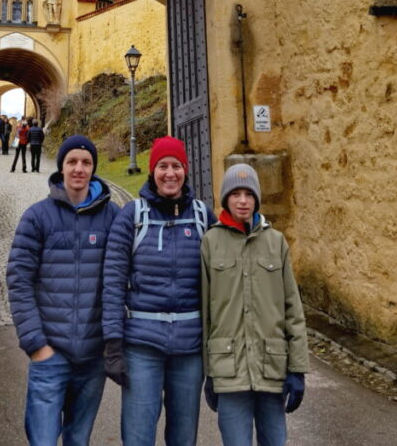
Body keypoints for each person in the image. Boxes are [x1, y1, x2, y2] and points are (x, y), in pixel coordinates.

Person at [102, 136, 216, 446]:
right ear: (152, 171)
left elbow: (224, 282)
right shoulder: (133, 217)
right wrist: (113, 344)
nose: (170, 173)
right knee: (138, 436)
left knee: (183, 437)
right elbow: (112, 283)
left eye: (176, 166)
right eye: (162, 166)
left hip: (189, 348)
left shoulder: (203, 217)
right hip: (142, 345)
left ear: (185, 170)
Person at [7, 135, 119, 446]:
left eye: (86, 162)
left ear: (93, 168)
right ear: (62, 167)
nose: (79, 169)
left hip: (92, 355)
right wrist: (36, 344)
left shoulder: (112, 217)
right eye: (72, 162)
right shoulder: (37, 216)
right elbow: (19, 280)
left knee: (78, 439)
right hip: (50, 351)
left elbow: (124, 277)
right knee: (42, 440)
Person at [200, 164, 309, 446]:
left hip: (270, 369)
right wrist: (207, 373)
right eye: (235, 194)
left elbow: (292, 310)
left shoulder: (276, 242)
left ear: (256, 199)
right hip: (229, 370)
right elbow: (205, 314)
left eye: (248, 194)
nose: (242, 201)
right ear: (226, 199)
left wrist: (297, 369)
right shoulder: (211, 243)